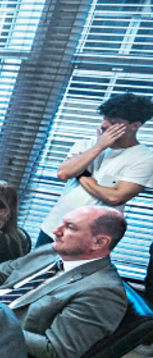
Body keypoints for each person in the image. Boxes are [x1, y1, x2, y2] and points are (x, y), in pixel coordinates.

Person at [0, 205, 128, 358]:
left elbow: (56, 351)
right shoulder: (53, 251)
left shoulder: (103, 291)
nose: (56, 231)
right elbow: (0, 273)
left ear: (99, 242)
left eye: (70, 227)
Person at [38, 92, 153, 246]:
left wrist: (82, 175)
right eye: (104, 119)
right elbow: (64, 173)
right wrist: (99, 146)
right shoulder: (86, 144)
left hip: (91, 238)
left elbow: (115, 197)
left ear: (135, 125)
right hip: (54, 226)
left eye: (113, 122)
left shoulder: (144, 158)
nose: (104, 125)